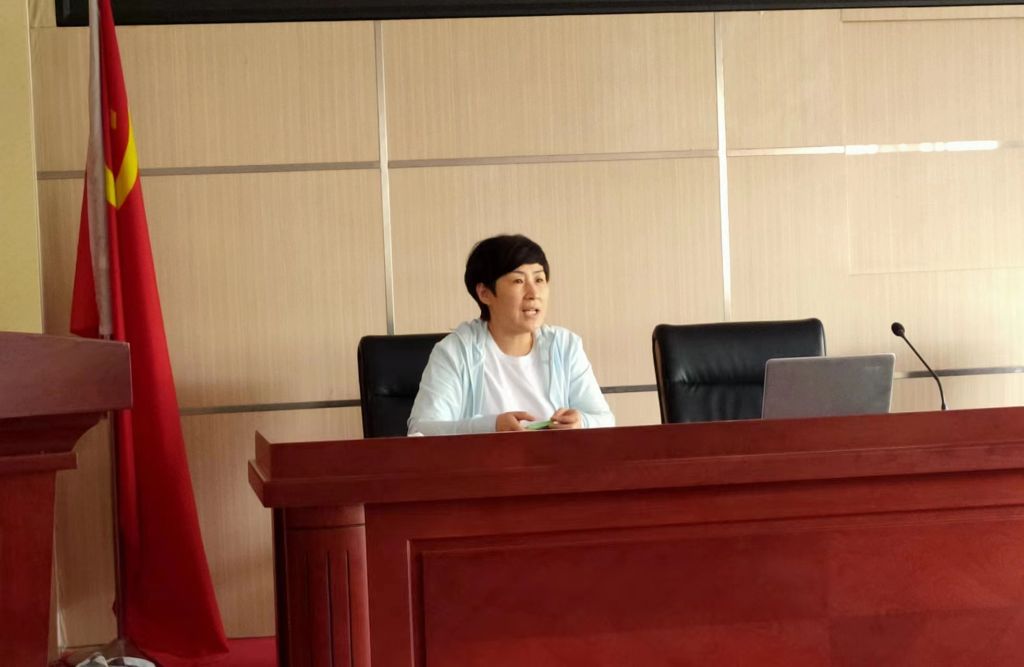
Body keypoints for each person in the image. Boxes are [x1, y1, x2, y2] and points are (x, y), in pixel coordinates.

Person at [408, 234, 615, 436]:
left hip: (555, 459)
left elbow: (605, 420)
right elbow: (422, 430)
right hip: (485, 460)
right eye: (518, 281)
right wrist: (492, 427)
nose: (533, 293)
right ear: (484, 293)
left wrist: (582, 422)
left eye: (539, 279)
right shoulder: (456, 351)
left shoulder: (564, 346)